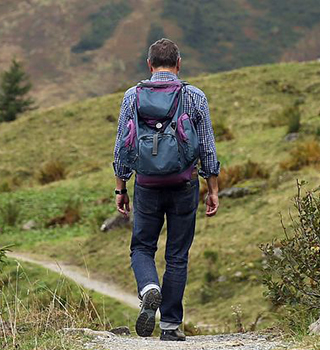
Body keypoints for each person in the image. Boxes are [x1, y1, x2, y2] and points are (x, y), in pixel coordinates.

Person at [112, 38, 220, 341]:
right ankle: (171, 326)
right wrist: (212, 188)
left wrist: (121, 187)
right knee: (177, 255)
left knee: (142, 247)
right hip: (184, 184)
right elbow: (208, 147)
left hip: (146, 184)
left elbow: (122, 145)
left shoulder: (132, 96)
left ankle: (149, 287)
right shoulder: (194, 96)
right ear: (179, 63)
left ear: (149, 65)